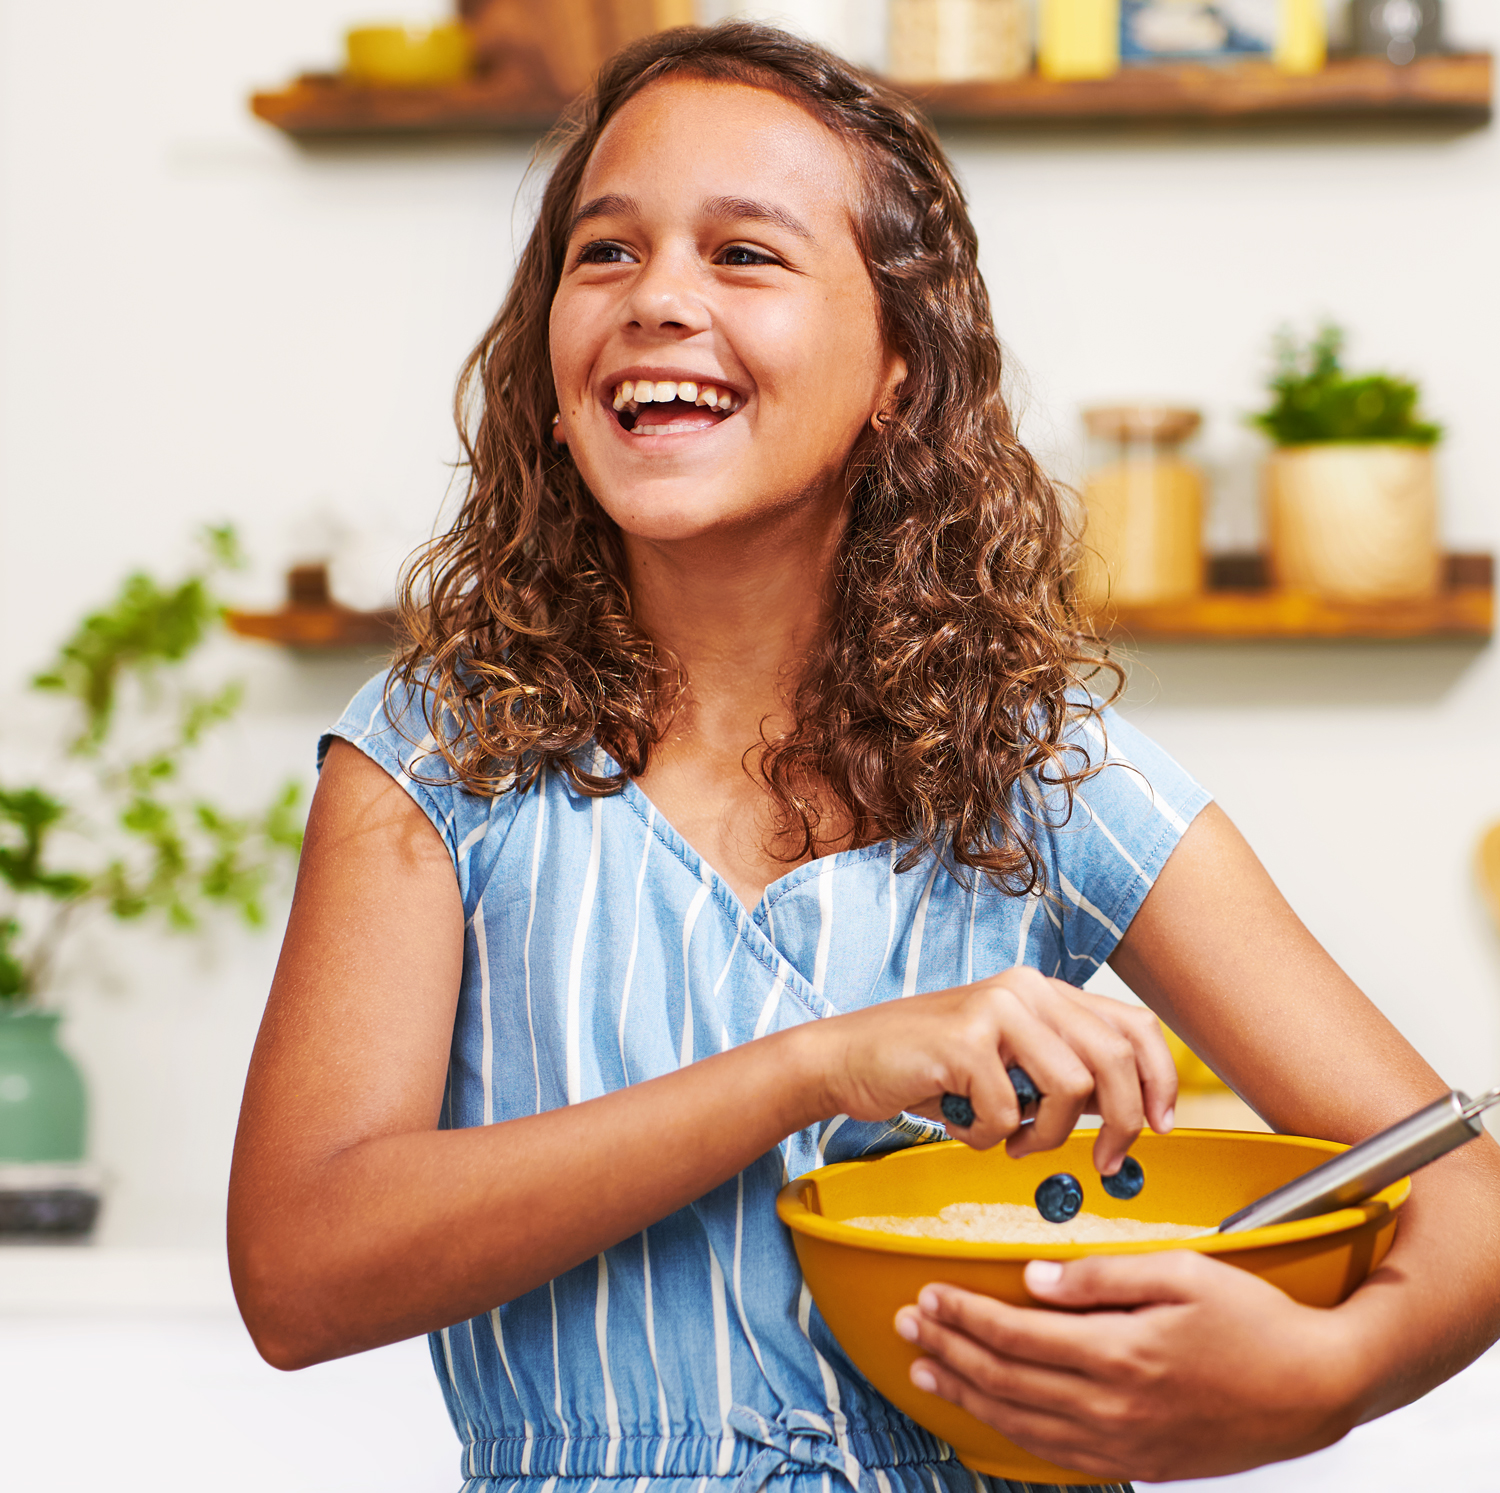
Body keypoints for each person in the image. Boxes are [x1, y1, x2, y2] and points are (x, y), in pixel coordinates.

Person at [227, 22, 1500, 1493]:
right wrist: (812, 1067)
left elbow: (1459, 1185)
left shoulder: (1046, 770)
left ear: (900, 364)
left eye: (745, 256)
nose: (658, 301)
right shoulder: (439, 754)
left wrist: (1318, 1381)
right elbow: (299, 1267)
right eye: (605, 253)